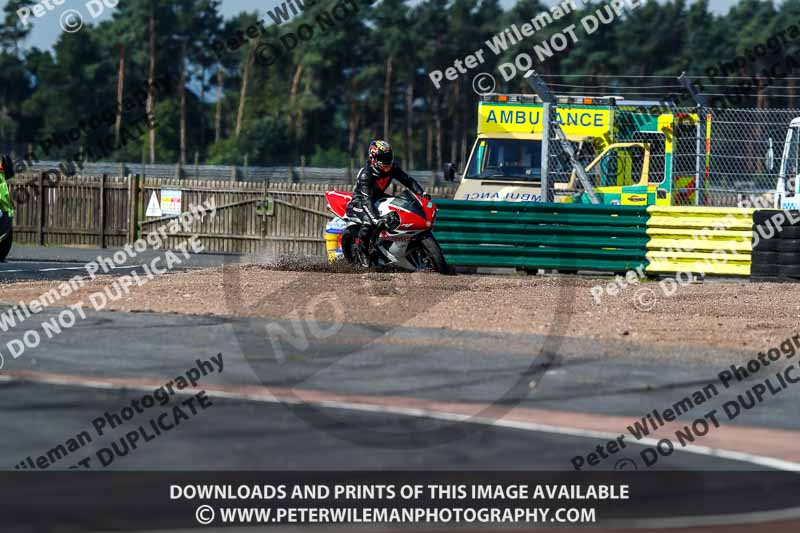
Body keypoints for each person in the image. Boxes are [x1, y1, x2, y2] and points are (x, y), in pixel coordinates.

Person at [347, 140, 429, 263]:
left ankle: (392, 243)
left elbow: (408, 180)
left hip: (378, 197)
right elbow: (366, 200)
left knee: (399, 207)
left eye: (388, 156)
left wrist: (421, 193)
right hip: (360, 202)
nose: (386, 160)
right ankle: (363, 251)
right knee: (370, 223)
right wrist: (375, 218)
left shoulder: (392, 168)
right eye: (383, 157)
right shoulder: (366, 175)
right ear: (373, 157)